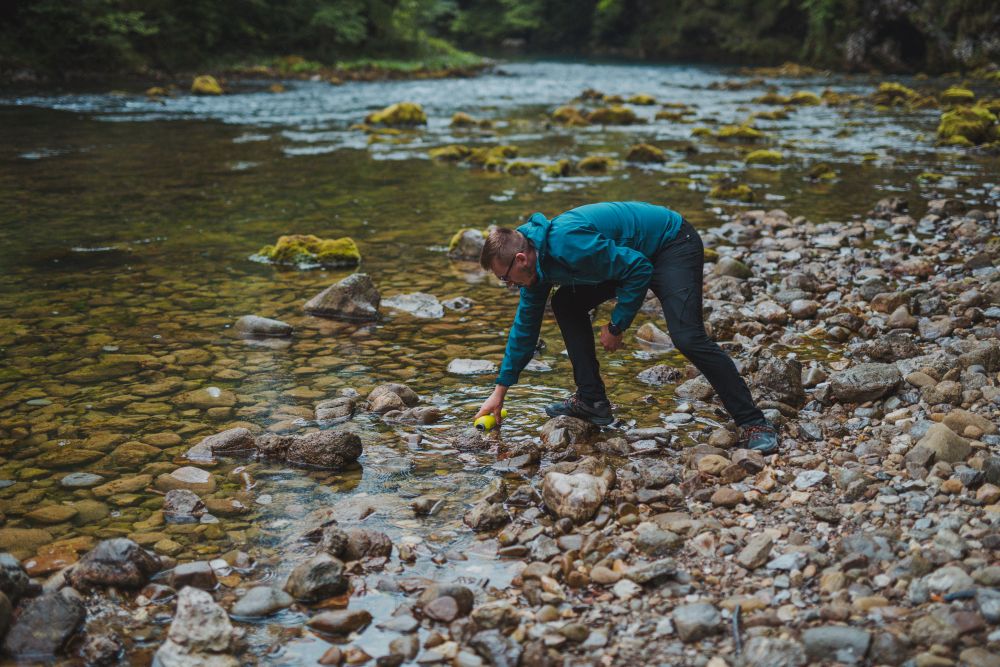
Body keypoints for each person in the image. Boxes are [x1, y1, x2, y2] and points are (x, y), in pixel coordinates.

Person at [473, 201, 778, 453]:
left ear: (521, 259)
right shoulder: (534, 271)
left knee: (688, 337)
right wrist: (500, 392)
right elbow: (524, 330)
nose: (509, 285)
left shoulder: (568, 244)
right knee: (565, 302)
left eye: (505, 278)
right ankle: (591, 400)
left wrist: (617, 325)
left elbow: (639, 268)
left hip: (671, 244)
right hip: (629, 257)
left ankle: (753, 422)